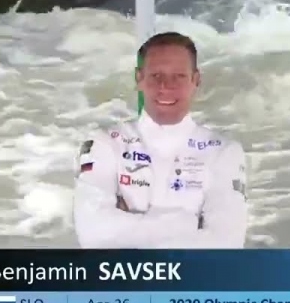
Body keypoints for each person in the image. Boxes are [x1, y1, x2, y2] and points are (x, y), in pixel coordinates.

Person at [72, 32, 249, 248]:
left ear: (196, 80)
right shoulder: (105, 143)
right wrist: (186, 224)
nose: (165, 86)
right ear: (139, 79)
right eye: (156, 76)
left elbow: (226, 246)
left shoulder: (224, 152)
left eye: (178, 76)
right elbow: (92, 235)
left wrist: (127, 229)